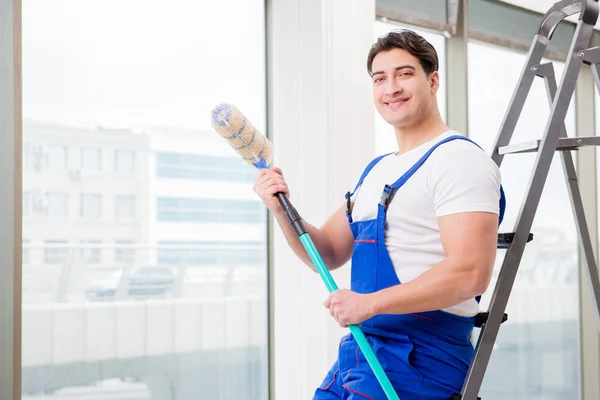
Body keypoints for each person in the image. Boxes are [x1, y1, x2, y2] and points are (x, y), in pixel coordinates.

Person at [253, 29, 504, 400]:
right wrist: (281, 209)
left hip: (423, 359)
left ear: (433, 80)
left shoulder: (458, 160)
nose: (391, 88)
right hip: (362, 352)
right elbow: (326, 252)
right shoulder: (376, 171)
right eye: (380, 78)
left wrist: (368, 303)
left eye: (404, 74)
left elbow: (471, 273)